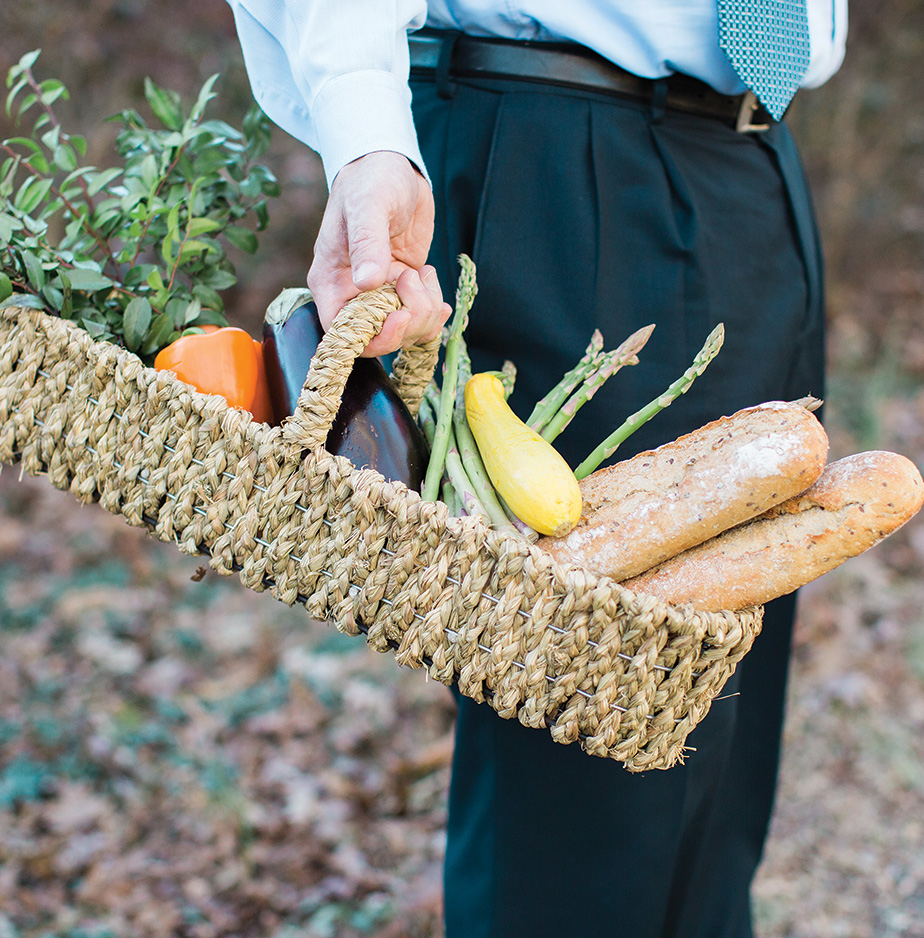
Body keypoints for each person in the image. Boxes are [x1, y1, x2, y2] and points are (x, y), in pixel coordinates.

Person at [224, 3, 848, 936]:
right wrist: (367, 136)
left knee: (716, 727)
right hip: (568, 161)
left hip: (751, 161)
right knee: (584, 772)